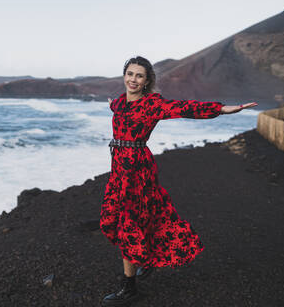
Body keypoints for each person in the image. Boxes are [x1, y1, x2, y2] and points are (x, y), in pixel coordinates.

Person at [100, 56, 257, 306]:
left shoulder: (153, 104)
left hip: (138, 171)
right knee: (132, 217)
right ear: (124, 75)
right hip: (119, 170)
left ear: (147, 81)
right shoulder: (119, 103)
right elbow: (118, 111)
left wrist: (222, 109)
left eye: (139, 76)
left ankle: (129, 288)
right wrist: (112, 106)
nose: (133, 79)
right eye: (130, 74)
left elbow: (185, 108)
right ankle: (149, 259)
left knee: (127, 224)